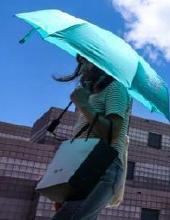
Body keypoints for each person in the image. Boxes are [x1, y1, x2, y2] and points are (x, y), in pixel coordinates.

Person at [52, 54, 132, 219]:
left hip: (102, 164)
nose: (82, 68)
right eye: (80, 62)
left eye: (86, 60)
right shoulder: (92, 95)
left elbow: (112, 133)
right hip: (82, 165)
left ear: (101, 62)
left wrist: (83, 103)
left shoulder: (116, 88)